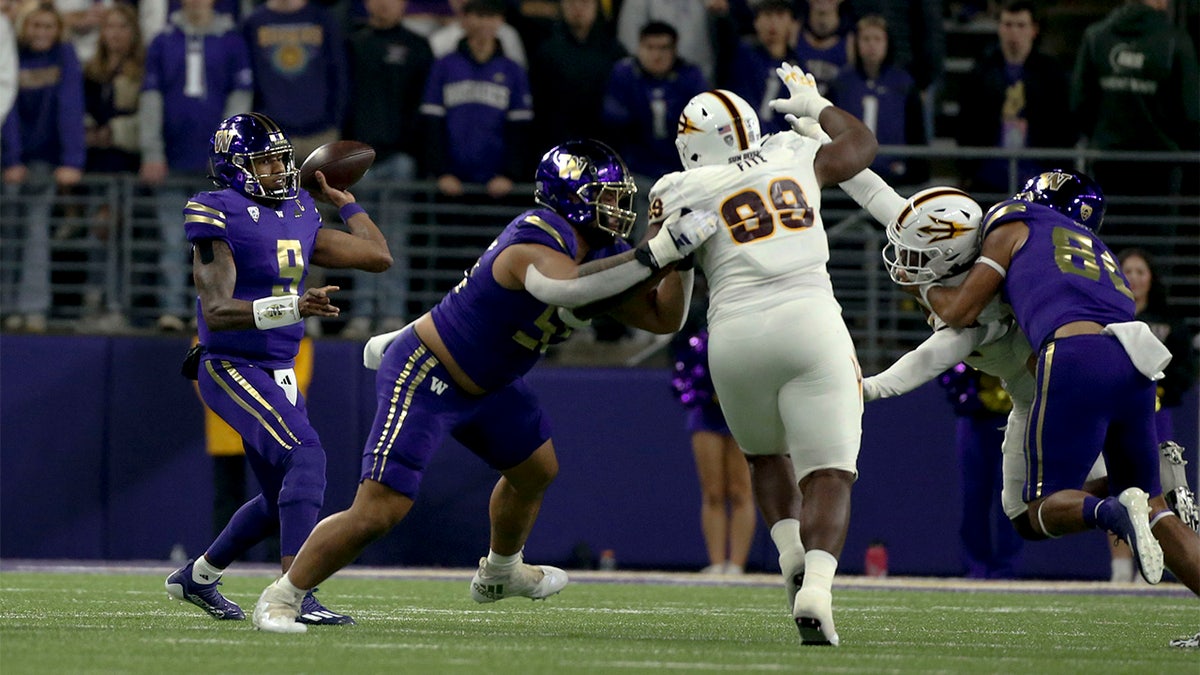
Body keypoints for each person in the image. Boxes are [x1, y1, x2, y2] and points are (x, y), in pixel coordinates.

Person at [251, 138, 720, 634]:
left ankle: (501, 571)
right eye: (607, 197)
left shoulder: (604, 250)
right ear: (572, 195)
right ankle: (282, 596)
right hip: (430, 370)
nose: (618, 210)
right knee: (380, 510)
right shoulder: (537, 236)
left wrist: (681, 261)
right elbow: (568, 290)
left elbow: (663, 317)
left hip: (492, 383)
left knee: (536, 471)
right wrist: (660, 251)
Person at [654, 66, 878, 645]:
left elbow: (665, 303)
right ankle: (818, 588)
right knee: (829, 472)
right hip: (810, 320)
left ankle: (787, 554)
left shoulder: (677, 190)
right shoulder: (791, 152)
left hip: (733, 336)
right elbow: (860, 146)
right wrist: (817, 103)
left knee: (763, 457)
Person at [165, 112, 393, 625]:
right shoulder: (214, 209)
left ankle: (197, 577)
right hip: (229, 363)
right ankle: (295, 594)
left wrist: (347, 202)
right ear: (235, 167)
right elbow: (219, 311)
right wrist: (295, 307)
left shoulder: (299, 210)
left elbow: (379, 256)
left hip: (278, 367)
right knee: (306, 459)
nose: (277, 170)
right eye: (264, 161)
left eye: (279, 160)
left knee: (277, 499)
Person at [913, 169, 1175, 590]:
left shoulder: (1015, 220)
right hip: (1135, 360)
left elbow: (960, 311)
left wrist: (921, 286)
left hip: (1074, 360)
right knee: (1154, 504)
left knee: (1035, 508)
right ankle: (1155, 498)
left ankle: (1111, 511)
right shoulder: (1102, 256)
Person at [139, 0, 252, 331]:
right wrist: (152, 152)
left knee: (216, 244)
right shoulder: (163, 41)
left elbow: (240, 99)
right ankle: (172, 309)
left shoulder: (231, 41)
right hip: (172, 158)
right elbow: (150, 98)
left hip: (215, 167)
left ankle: (212, 310)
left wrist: (226, 155)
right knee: (172, 240)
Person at [344, 0, 435, 333]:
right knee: (359, 241)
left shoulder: (417, 47)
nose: (384, 4)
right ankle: (361, 315)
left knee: (394, 239)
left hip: (400, 159)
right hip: (359, 159)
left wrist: (414, 152)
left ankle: (393, 316)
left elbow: (424, 108)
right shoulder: (354, 43)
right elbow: (345, 99)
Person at [1070, 0, 1199, 233]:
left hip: (1106, 164)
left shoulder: (1096, 36)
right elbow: (1192, 113)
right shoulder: (1176, 41)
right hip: (1161, 168)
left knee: (1107, 251)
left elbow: (1079, 104)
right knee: (1153, 257)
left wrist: (1102, 136)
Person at [1, 2, 86, 333]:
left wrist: (72, 159)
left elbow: (70, 105)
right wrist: (11, 159)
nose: (41, 33)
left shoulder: (65, 56)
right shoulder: (12, 52)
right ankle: (6, 306)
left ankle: (33, 307)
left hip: (44, 163)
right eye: (35, 26)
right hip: (11, 160)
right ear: (25, 27)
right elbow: (6, 107)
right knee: (7, 233)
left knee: (36, 231)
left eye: (48, 26)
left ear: (58, 29)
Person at [957, 0, 1075, 195]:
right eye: (1008, 25)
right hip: (989, 175)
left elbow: (1063, 127)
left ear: (1034, 30)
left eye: (1021, 25)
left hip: (1038, 175)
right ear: (999, 28)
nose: (1014, 32)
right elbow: (966, 125)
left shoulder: (1051, 73)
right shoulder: (981, 72)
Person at [670, 323, 755, 577]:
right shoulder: (700, 338)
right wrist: (704, 392)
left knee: (741, 490)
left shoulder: (748, 337)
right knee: (713, 491)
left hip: (742, 412)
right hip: (706, 414)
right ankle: (717, 563)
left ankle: (737, 565)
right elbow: (682, 373)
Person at [938, 363, 1024, 579]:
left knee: (1012, 497)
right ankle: (976, 566)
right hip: (975, 416)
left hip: (1016, 415)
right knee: (973, 496)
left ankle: (1006, 568)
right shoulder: (969, 330)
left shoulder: (1022, 329)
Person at [827, 13, 925, 186]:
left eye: (878, 39)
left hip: (894, 176)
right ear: (856, 43)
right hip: (849, 175)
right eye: (866, 39)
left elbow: (916, 131)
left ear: (888, 43)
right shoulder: (840, 83)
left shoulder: (903, 83)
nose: (872, 45)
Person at [529, 0, 626, 152]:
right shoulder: (546, 51)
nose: (578, 9)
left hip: (604, 144)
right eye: (571, 3)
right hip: (556, 144)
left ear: (596, 7)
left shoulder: (614, 52)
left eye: (585, 3)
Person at [722, 0, 800, 136]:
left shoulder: (798, 70)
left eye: (780, 15)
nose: (773, 23)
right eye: (767, 15)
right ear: (756, 22)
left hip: (785, 148)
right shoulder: (741, 57)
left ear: (792, 23)